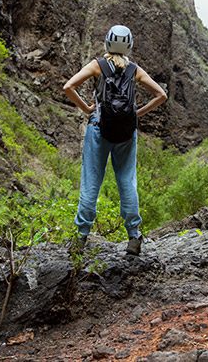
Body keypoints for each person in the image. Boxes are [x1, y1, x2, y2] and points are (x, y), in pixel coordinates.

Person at [62, 24, 167, 255]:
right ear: (129, 45)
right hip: (126, 132)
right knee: (127, 182)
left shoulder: (97, 66)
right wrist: (137, 114)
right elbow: (161, 95)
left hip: (98, 127)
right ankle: (134, 237)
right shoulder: (135, 70)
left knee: (91, 182)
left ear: (107, 42)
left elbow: (68, 87)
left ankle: (81, 238)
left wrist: (87, 109)